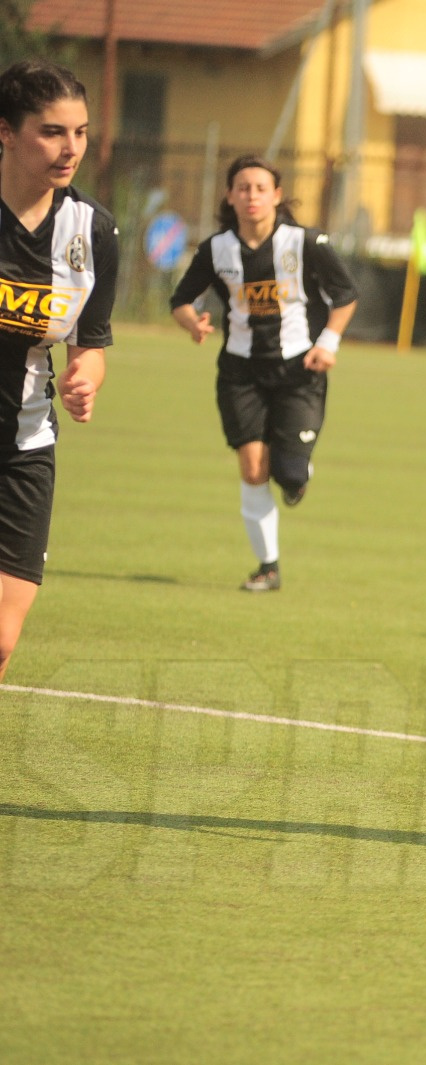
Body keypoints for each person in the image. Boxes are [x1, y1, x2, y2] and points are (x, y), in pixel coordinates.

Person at [170, 155, 358, 592]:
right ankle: (268, 567)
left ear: (276, 195)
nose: (251, 195)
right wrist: (190, 321)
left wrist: (328, 341)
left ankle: (296, 475)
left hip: (300, 369)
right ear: (230, 195)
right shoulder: (216, 249)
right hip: (240, 372)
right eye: (243, 187)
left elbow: (346, 293)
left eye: (260, 188)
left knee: (289, 474)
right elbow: (181, 299)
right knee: (254, 467)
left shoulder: (305, 242)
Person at [0, 60, 117, 681]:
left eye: (80, 131)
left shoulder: (92, 230)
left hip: (24, 445)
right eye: (51, 131)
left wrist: (84, 382)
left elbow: (90, 345)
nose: (70, 147)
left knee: (1, 638)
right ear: (7, 133)